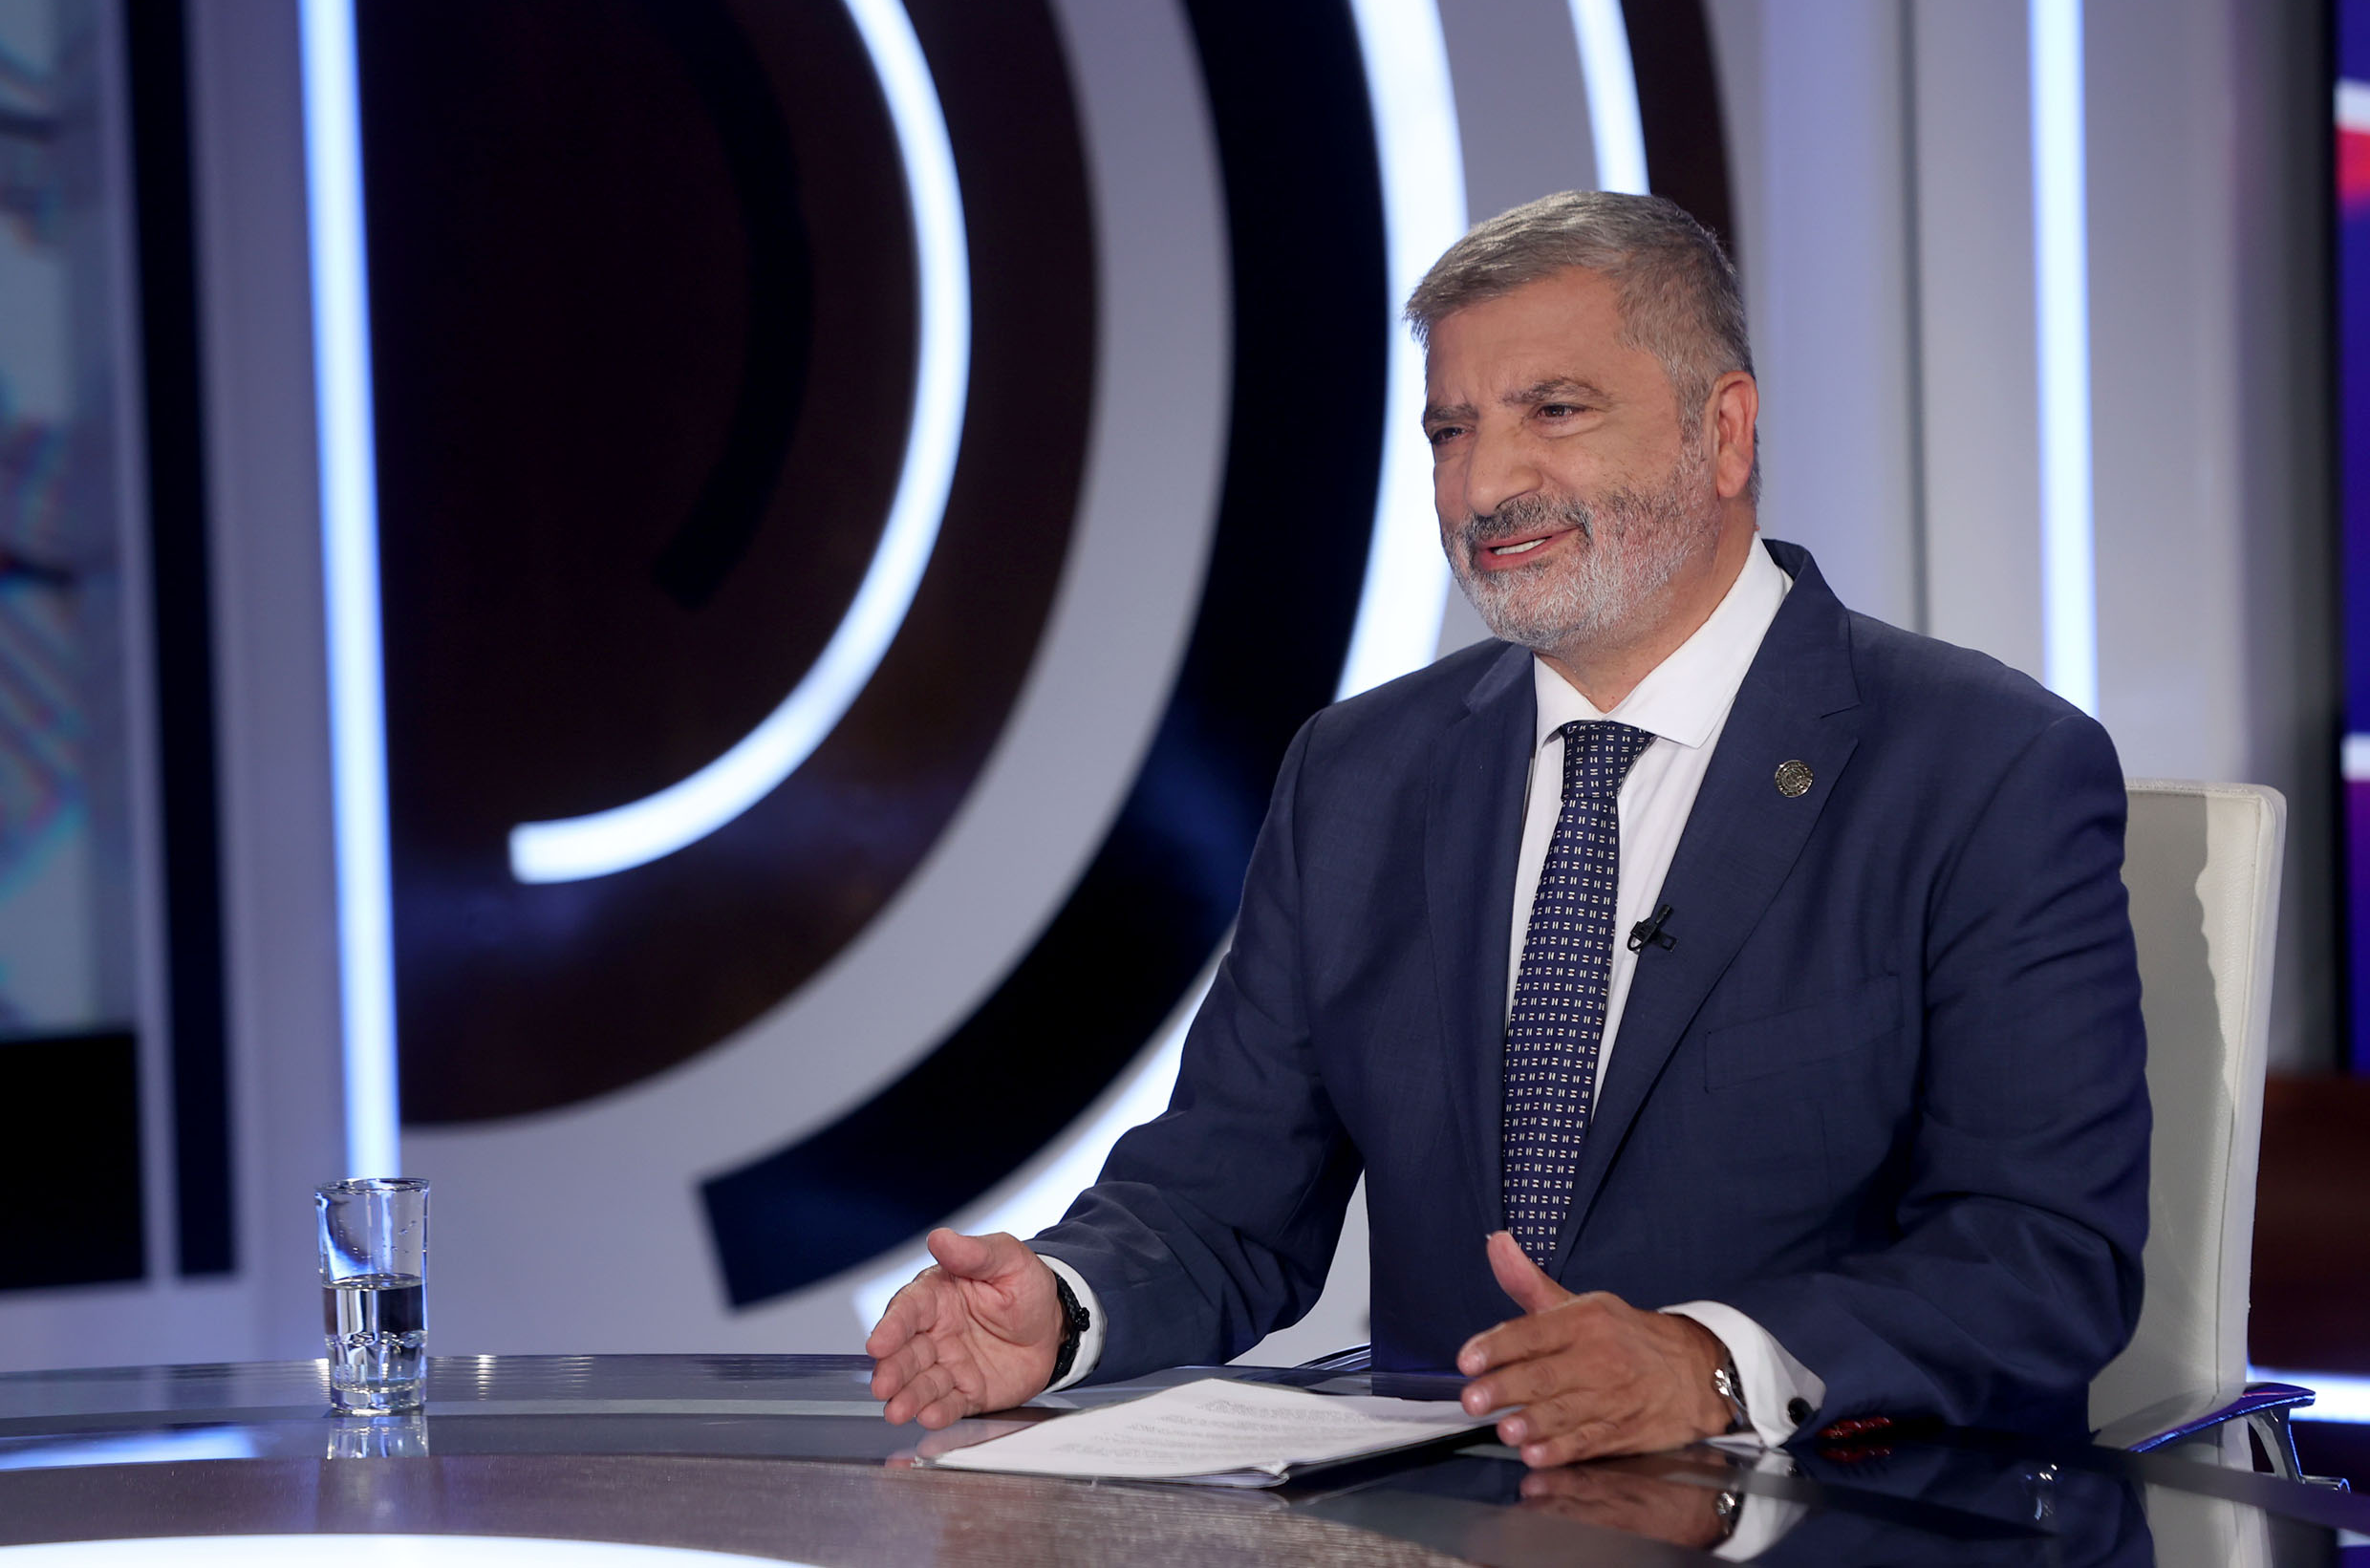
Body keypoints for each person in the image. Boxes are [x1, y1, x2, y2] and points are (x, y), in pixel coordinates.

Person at [865, 191, 2148, 1468]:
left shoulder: (1983, 768)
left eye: (1556, 412)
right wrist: (1064, 1307)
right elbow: (1224, 1198)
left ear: (1724, 432)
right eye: (1452, 430)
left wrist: (1711, 1362)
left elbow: (2043, 1255)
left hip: (1844, 1517)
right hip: (1446, 1526)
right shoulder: (1358, 775)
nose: (1484, 484)